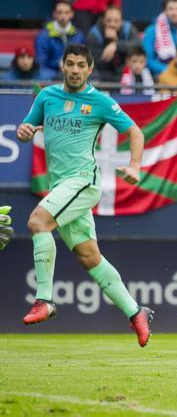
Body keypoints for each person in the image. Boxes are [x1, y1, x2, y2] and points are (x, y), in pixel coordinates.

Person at [15, 44, 153, 346]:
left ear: (90, 70)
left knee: (38, 222)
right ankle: (136, 311)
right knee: (89, 257)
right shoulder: (47, 96)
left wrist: (134, 166)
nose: (75, 69)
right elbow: (27, 126)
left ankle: (44, 300)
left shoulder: (100, 102)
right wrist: (23, 131)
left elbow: (135, 132)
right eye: (70, 64)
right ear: (62, 66)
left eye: (81, 65)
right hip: (61, 187)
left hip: (83, 181)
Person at [35, 0, 85, 80]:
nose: (63, 16)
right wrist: (59, 63)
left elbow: (83, 58)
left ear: (72, 14)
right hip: (52, 72)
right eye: (60, 12)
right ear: (54, 14)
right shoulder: (44, 35)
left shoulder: (78, 35)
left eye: (66, 12)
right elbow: (41, 63)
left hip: (74, 71)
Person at [86, 6, 139, 81]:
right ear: (103, 20)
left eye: (116, 21)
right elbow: (96, 62)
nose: (112, 24)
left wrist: (116, 45)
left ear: (121, 21)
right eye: (109, 20)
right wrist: (109, 42)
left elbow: (138, 45)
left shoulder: (128, 28)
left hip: (125, 69)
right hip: (103, 72)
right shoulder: (94, 34)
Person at [51, 0, 122, 33]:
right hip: (79, 8)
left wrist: (116, 6)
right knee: (82, 46)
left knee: (103, 43)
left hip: (103, 9)